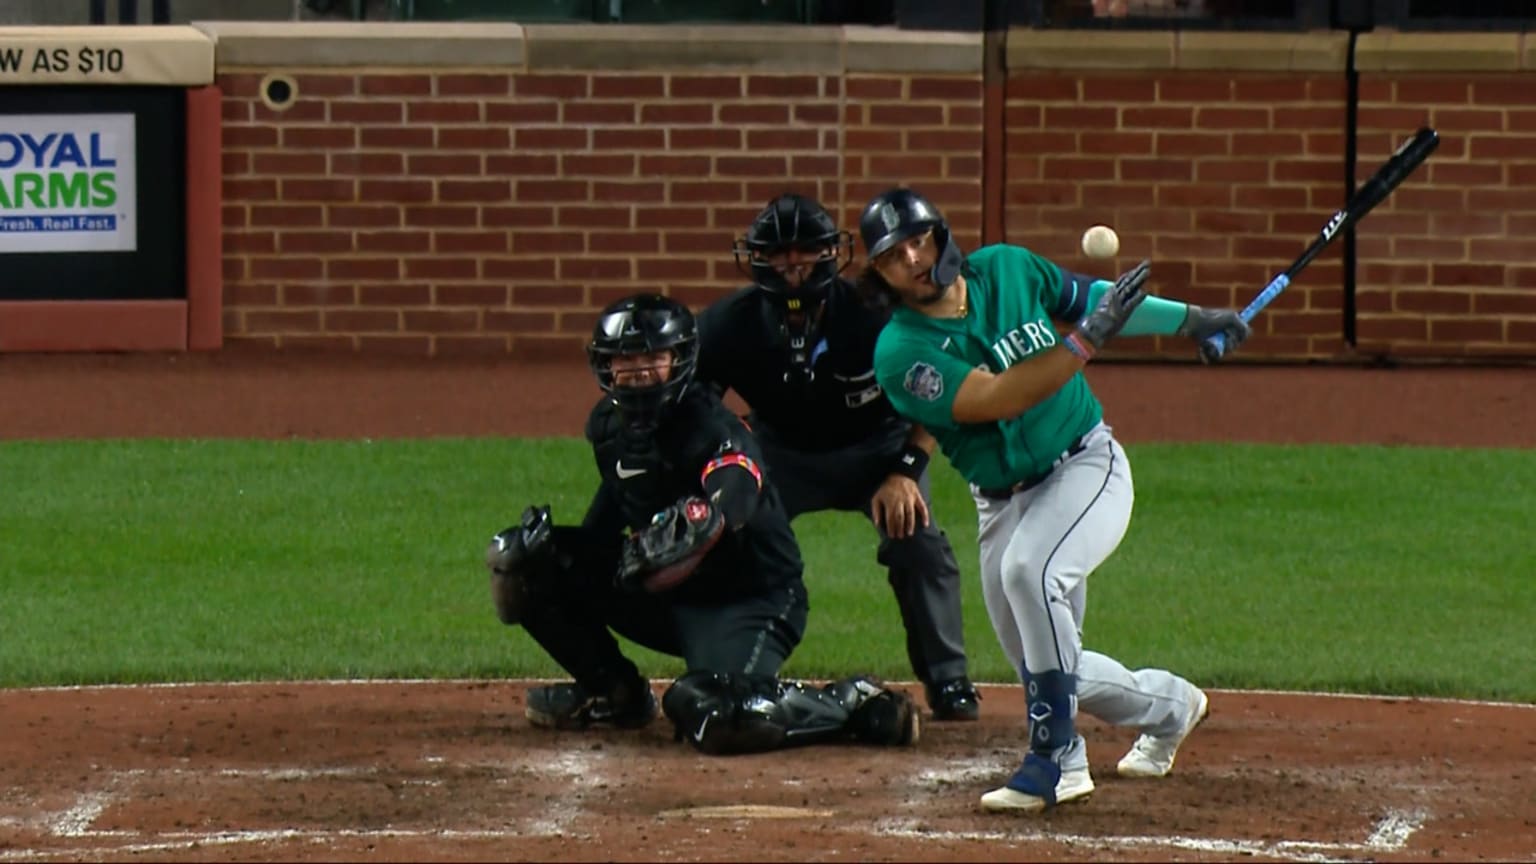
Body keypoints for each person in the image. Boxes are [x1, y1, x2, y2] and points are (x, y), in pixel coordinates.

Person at [857, 188, 1249, 812]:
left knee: (1029, 571)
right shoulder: (901, 353)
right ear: (881, 272)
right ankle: (1173, 708)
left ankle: (1051, 760)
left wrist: (1193, 320)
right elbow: (996, 398)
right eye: (894, 254)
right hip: (1002, 504)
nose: (913, 257)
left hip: (1086, 467)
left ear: (941, 235)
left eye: (919, 239)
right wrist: (1084, 342)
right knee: (1049, 663)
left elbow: (1093, 301)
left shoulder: (1008, 268)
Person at [484, 293, 922, 756]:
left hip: (748, 600)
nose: (637, 371)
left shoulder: (712, 425)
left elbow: (735, 484)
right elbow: (611, 513)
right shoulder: (610, 430)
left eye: (652, 357)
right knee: (524, 561)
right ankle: (613, 694)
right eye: (624, 359)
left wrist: (705, 519)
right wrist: (566, 564)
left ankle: (849, 702)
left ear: (680, 361)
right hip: (667, 593)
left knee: (720, 715)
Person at [695, 192, 981, 722]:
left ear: (832, 253)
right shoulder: (728, 322)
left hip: (877, 450)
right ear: (757, 258)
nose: (793, 266)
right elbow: (694, 404)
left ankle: (949, 679)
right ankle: (730, 670)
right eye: (779, 254)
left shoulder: (877, 313)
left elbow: (937, 395)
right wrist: (728, 453)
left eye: (804, 251)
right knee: (725, 535)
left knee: (919, 540)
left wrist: (907, 471)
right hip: (778, 452)